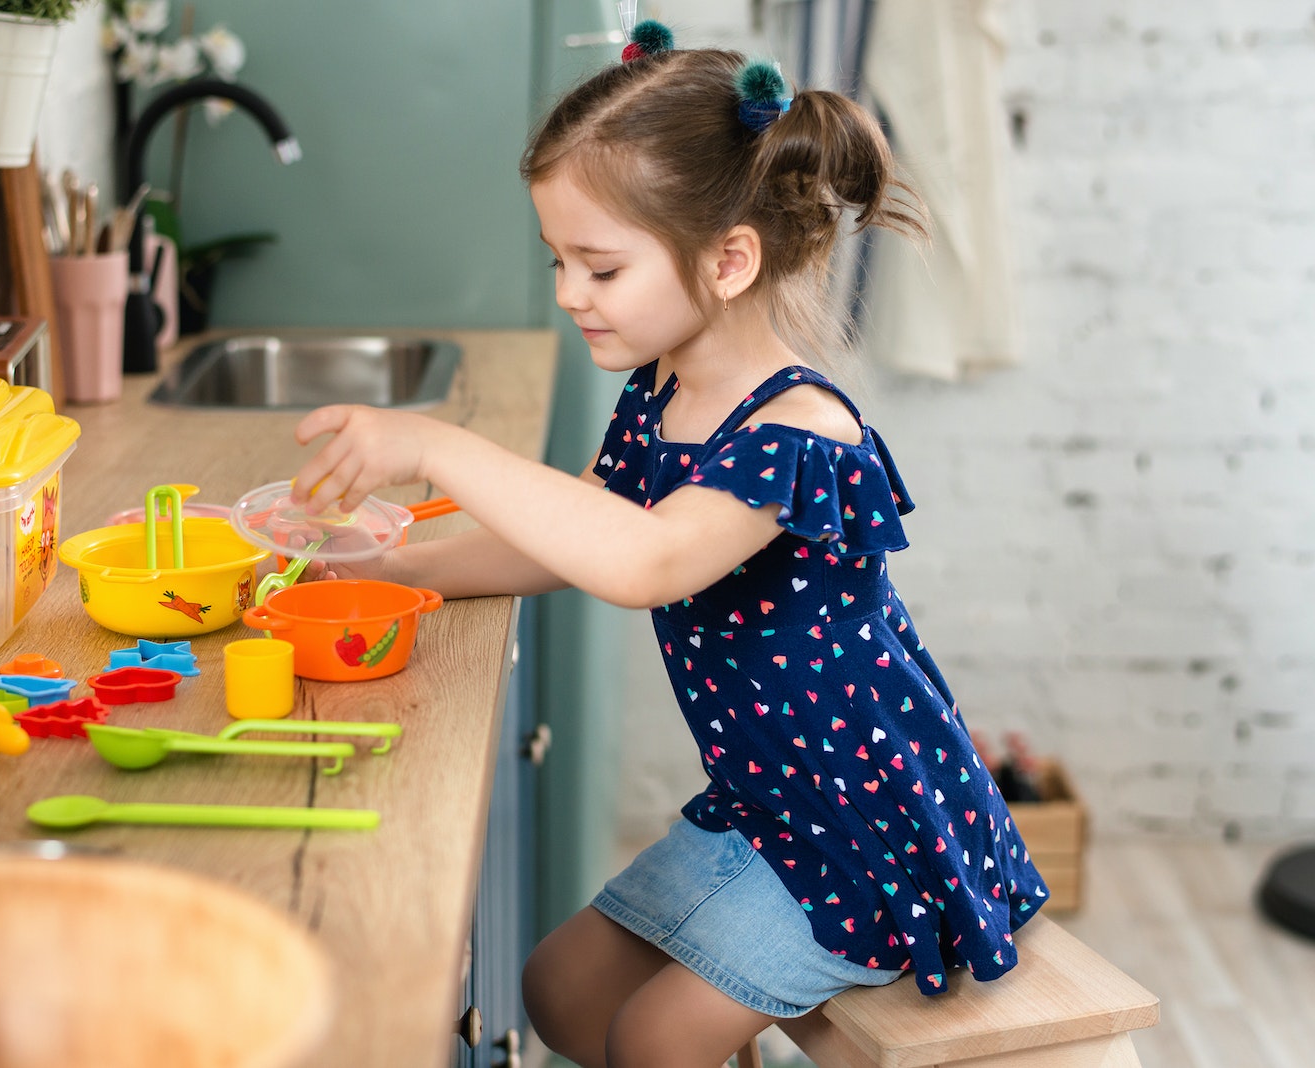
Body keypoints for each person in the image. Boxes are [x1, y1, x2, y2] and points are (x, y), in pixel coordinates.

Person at [290, 20, 1049, 1068]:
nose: (568, 294)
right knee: (556, 990)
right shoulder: (662, 391)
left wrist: (432, 445)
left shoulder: (796, 431)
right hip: (765, 804)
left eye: (599, 268)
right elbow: (572, 536)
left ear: (729, 260)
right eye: (558, 260)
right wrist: (389, 572)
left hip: (862, 830)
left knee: (655, 1039)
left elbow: (639, 562)